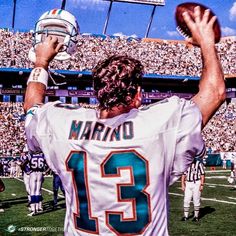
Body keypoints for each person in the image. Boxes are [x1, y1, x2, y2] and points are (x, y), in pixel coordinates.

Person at [24, 6, 226, 236]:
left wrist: (41, 62)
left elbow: (31, 109)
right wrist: (207, 43)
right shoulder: (161, 122)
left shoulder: (62, 123)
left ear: (97, 92)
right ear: (138, 95)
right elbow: (216, 93)